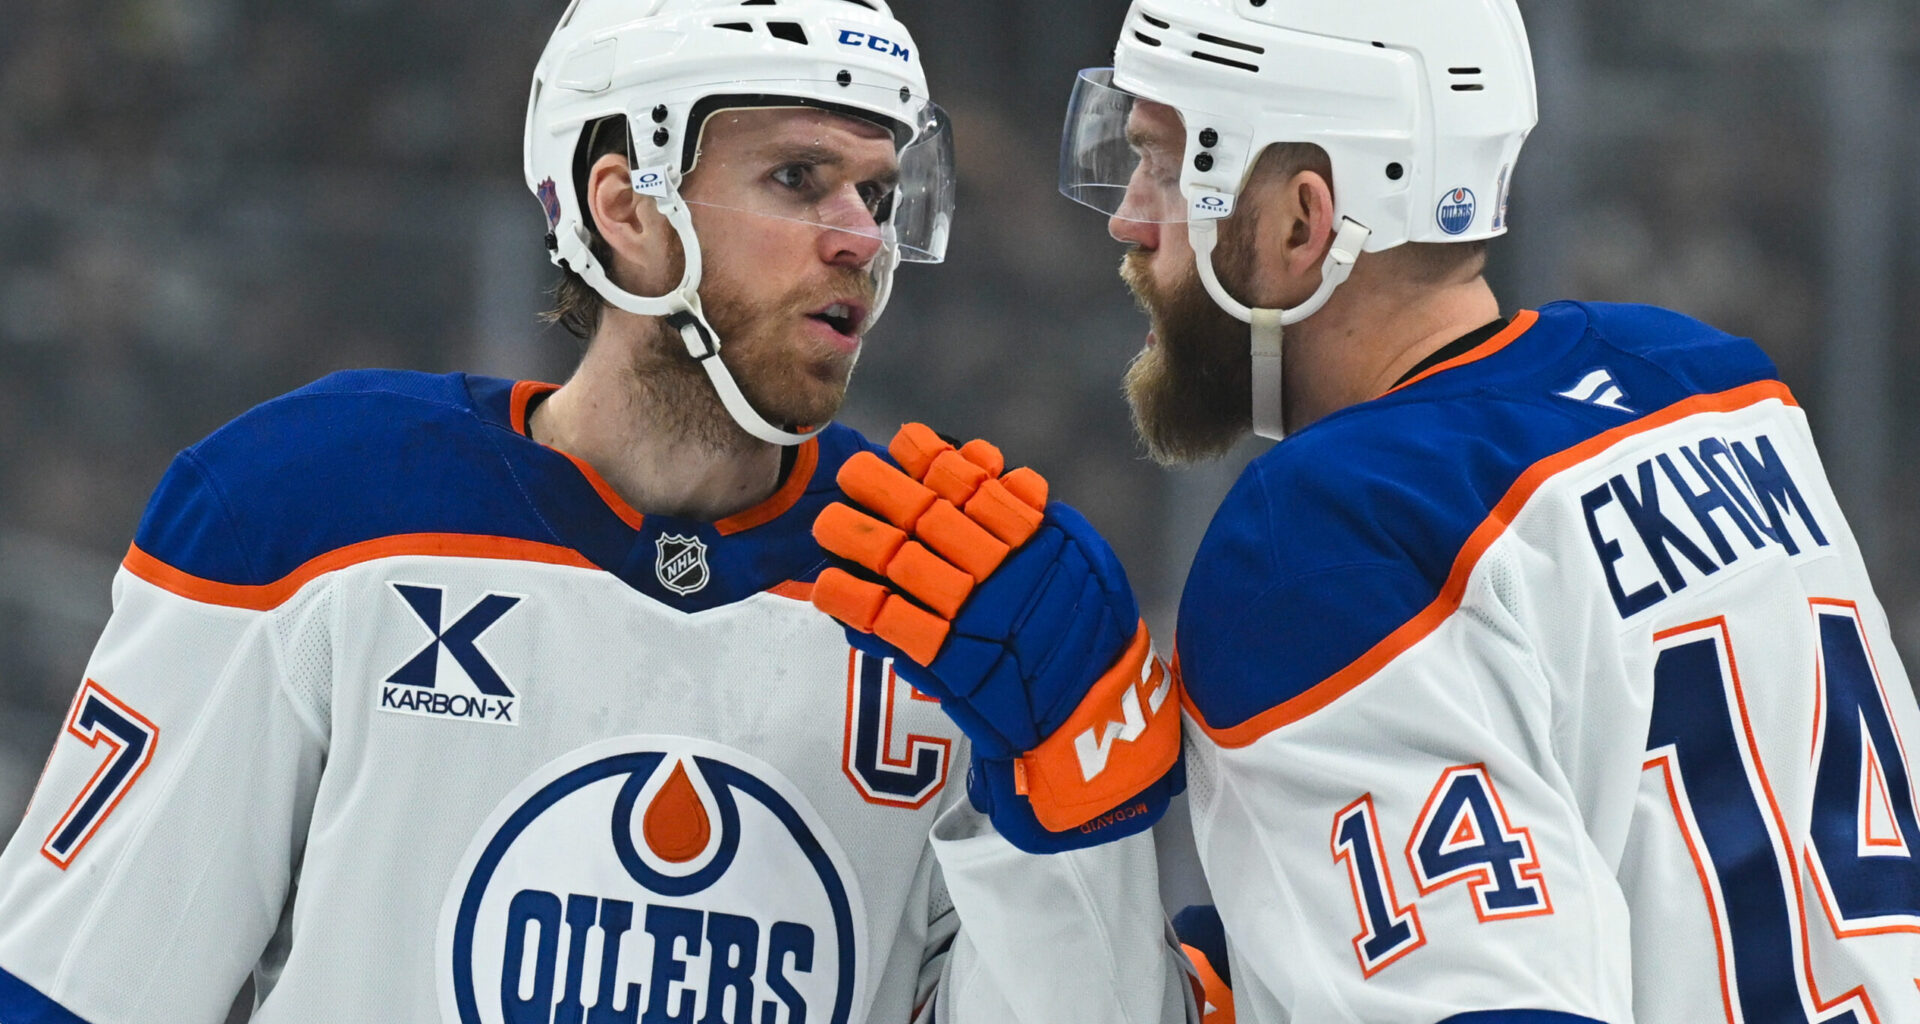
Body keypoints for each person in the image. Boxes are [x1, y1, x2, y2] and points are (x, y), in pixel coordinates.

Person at [0, 2, 1190, 1021]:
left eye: (878, 192)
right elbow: (73, 987)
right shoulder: (313, 512)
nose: (859, 240)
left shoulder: (950, 596)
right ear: (625, 204)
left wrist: (1070, 823)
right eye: (798, 179)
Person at [1040, 0, 1920, 1021]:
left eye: (1161, 163)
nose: (1130, 216)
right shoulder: (1711, 382)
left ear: (1298, 219)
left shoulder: (1326, 534)